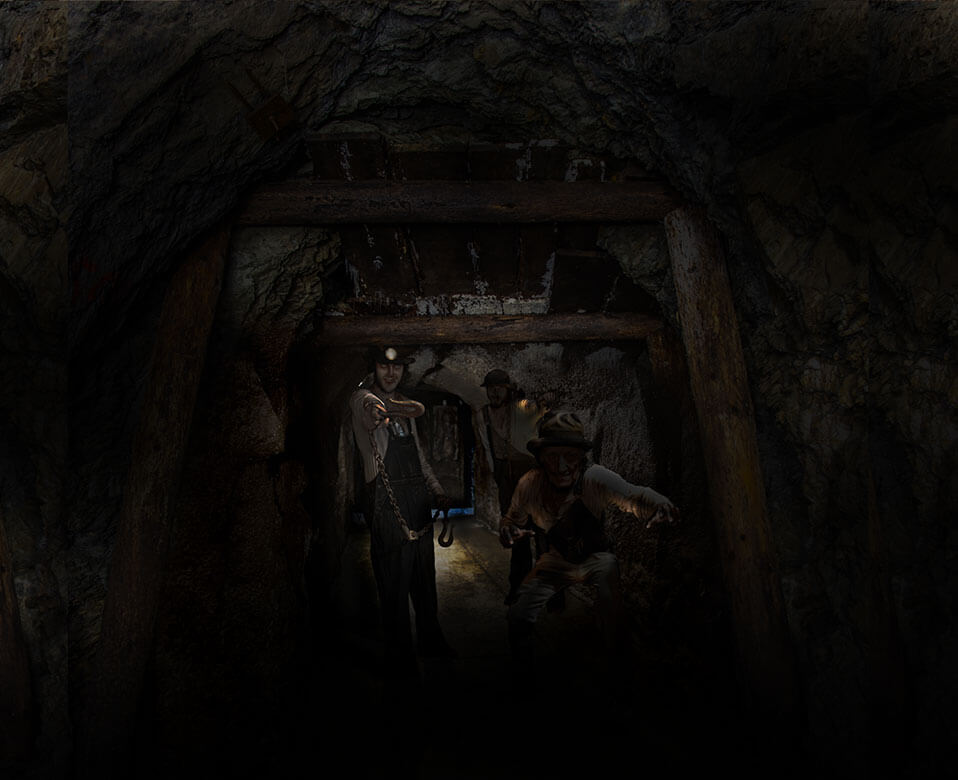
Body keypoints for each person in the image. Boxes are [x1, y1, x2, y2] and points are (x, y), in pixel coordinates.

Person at [499, 410, 679, 682]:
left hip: (594, 557)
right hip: (556, 560)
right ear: (541, 458)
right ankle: (524, 678)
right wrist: (507, 531)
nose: (561, 466)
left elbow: (633, 494)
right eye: (552, 457)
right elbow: (511, 520)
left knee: (609, 579)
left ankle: (619, 669)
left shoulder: (594, 477)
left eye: (570, 457)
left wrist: (659, 504)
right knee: (517, 615)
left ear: (581, 457)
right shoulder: (530, 484)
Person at [350, 345, 456, 679]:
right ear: (374, 368)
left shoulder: (406, 411)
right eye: (384, 366)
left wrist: (437, 490)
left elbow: (420, 459)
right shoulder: (362, 398)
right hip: (388, 506)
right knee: (394, 586)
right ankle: (400, 657)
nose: (391, 373)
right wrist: (384, 410)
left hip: (418, 505)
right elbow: (368, 409)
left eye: (396, 368)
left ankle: (430, 640)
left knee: (424, 581)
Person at [477, 368, 552, 605]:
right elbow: (487, 448)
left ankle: (550, 591)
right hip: (507, 480)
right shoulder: (483, 414)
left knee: (543, 536)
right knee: (518, 538)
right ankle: (519, 589)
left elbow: (545, 407)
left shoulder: (521, 408)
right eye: (491, 388)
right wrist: (497, 477)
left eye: (499, 388)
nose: (495, 393)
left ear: (508, 390)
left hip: (532, 478)